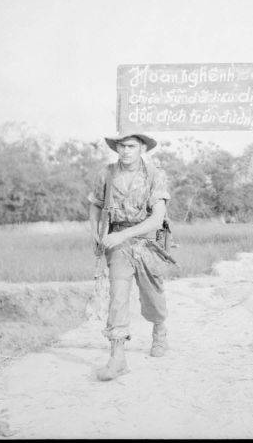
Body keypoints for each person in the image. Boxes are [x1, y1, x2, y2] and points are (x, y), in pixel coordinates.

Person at [88, 130, 171, 381]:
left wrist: (123, 236)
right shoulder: (107, 173)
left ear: (142, 149)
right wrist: (95, 233)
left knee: (153, 295)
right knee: (118, 295)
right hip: (118, 242)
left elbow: (157, 219)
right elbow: (95, 204)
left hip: (149, 242)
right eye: (121, 146)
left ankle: (159, 328)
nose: (125, 151)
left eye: (131, 146)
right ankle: (117, 357)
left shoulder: (155, 174)